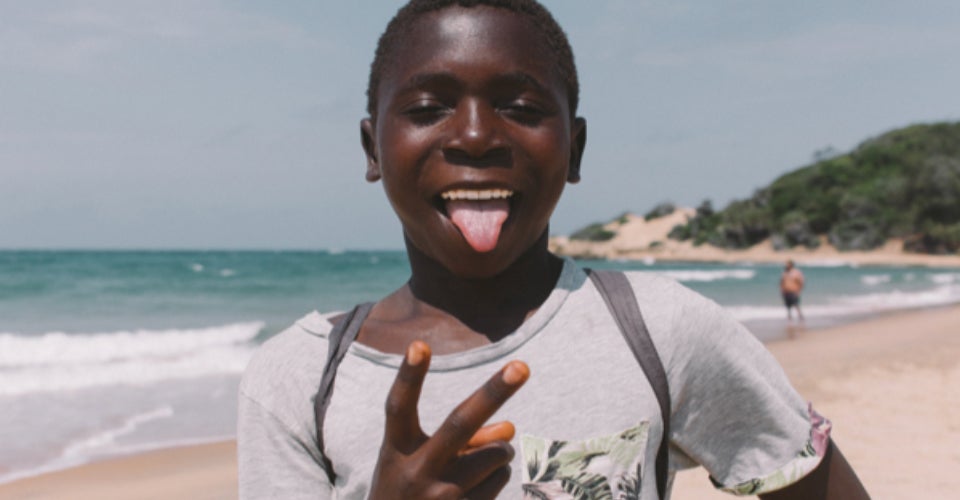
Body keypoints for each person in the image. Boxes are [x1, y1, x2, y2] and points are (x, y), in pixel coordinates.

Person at [238, 1, 868, 498]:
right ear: (373, 150)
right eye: (429, 107)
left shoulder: (660, 331)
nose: (478, 136)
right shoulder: (299, 381)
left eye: (521, 107)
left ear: (575, 150)